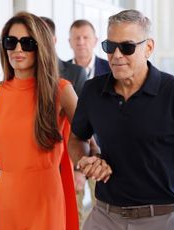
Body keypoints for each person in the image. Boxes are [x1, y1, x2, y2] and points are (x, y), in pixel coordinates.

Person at [68, 9, 174, 230]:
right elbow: (76, 139)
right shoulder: (92, 90)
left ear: (148, 48)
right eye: (110, 47)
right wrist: (86, 161)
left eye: (127, 47)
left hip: (162, 219)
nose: (117, 55)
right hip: (104, 216)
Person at [0, 11, 79, 230]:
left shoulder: (61, 90)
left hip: (46, 198)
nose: (18, 49)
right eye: (11, 42)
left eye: (27, 43)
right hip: (7, 200)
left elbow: (86, 137)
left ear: (41, 46)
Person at [68, 19, 110, 228]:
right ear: (69, 42)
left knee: (101, 206)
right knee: (73, 206)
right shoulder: (63, 72)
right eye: (77, 38)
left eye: (86, 37)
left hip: (104, 151)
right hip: (73, 148)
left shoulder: (111, 68)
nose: (81, 42)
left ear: (95, 41)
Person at [41, 16, 87, 96]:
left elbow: (81, 108)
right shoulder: (24, 71)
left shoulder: (77, 73)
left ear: (54, 40)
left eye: (43, 37)